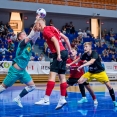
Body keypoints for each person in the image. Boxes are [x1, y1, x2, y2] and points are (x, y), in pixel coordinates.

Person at [34, 18, 72, 110]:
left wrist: (58, 54)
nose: (36, 28)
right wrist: (69, 50)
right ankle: (62, 99)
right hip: (64, 52)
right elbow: (66, 38)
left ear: (39, 24)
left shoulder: (46, 31)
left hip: (58, 53)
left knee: (52, 75)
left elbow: (55, 40)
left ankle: (46, 99)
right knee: (62, 77)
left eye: (36, 25)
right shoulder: (52, 28)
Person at [67, 42, 117, 107]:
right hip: (91, 72)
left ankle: (114, 101)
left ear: (90, 47)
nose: (85, 48)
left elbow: (91, 62)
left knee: (109, 86)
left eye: (86, 46)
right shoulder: (84, 54)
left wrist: (82, 66)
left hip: (100, 72)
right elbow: (78, 59)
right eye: (84, 47)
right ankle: (84, 98)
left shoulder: (94, 53)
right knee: (80, 81)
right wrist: (70, 64)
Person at [0, 29, 40, 108]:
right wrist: (35, 24)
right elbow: (30, 36)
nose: (25, 34)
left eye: (25, 33)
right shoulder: (21, 44)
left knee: (32, 86)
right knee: (3, 87)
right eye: (23, 34)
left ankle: (17, 98)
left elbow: (36, 36)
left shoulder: (30, 44)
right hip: (14, 71)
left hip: (23, 72)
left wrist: (38, 27)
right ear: (19, 38)